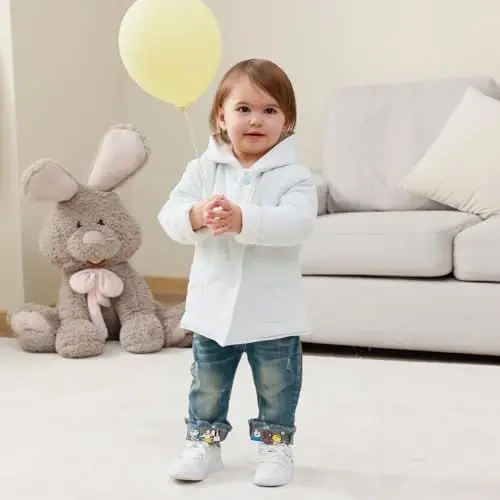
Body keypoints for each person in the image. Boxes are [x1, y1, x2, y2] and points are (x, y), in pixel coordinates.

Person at [157, 58, 317, 487]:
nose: (255, 120)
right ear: (221, 117)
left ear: (287, 122)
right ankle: (203, 445)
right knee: (207, 384)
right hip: (213, 308)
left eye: (269, 110)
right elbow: (169, 216)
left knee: (277, 385)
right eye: (243, 109)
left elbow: (298, 223)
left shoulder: (295, 177)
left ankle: (276, 447)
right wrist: (195, 214)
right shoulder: (202, 170)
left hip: (272, 312)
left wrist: (244, 219)